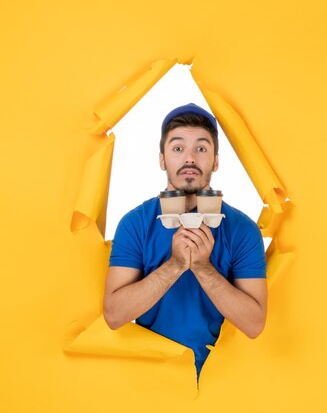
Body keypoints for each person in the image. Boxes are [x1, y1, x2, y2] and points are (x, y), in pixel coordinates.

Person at [103, 103, 267, 376]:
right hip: (151, 376)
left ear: (215, 160)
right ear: (162, 159)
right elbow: (114, 315)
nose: (190, 158)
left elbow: (254, 324)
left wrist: (203, 267)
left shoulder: (243, 230)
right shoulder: (135, 224)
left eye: (201, 149)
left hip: (223, 378)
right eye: (178, 148)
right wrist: (176, 264)